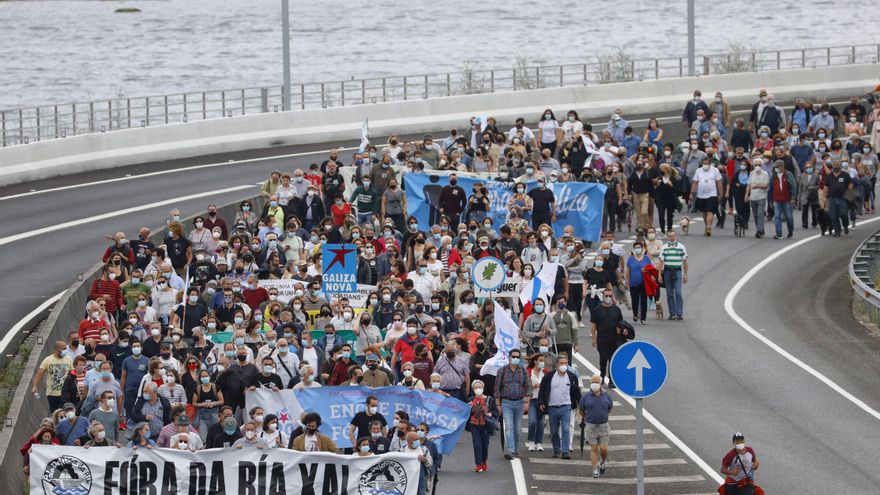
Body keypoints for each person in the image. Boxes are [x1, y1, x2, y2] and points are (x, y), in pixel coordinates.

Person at [537, 355, 581, 459]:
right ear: (556, 365)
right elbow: (542, 390)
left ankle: (565, 451)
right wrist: (541, 402)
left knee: (566, 429)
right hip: (552, 408)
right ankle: (556, 449)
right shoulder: (548, 377)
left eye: (565, 363)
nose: (563, 365)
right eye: (561, 363)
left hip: (566, 407)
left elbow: (576, 392)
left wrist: (582, 405)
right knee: (554, 431)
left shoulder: (572, 377)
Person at [494, 348, 530, 460]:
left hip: (519, 402)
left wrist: (526, 402)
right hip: (506, 402)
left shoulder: (523, 371)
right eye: (513, 357)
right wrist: (498, 405)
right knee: (509, 427)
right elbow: (497, 388)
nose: (515, 359)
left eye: (517, 357)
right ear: (509, 357)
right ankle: (510, 450)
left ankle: (515, 449)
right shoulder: (502, 371)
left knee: (517, 428)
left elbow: (528, 387)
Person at [578, 375, 613, 478]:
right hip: (591, 426)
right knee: (594, 448)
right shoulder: (586, 397)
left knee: (604, 448)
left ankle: (603, 461)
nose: (595, 383)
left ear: (600, 383)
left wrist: (603, 416)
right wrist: (588, 418)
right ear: (590, 383)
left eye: (597, 382)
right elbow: (581, 410)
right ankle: (594, 470)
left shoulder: (606, 396)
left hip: (603, 426)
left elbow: (610, 409)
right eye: (593, 381)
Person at [590, 288, 623, 387]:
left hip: (614, 339)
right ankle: (602, 376)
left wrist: (620, 330)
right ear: (603, 296)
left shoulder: (616, 309)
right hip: (602, 338)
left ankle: (612, 380)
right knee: (603, 359)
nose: (608, 298)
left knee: (612, 359)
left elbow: (621, 323)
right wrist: (593, 338)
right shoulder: (597, 309)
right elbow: (593, 325)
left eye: (610, 296)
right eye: (606, 296)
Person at [32, 341, 74, 412]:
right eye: (63, 349)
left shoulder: (68, 359)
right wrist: (35, 385)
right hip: (52, 393)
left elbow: (72, 373)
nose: (65, 351)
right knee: (55, 412)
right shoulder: (48, 360)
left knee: (64, 411)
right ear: (57, 349)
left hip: (65, 392)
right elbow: (40, 373)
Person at [467, 379, 498, 472]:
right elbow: (465, 413)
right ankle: (478, 464)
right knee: (477, 445)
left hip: (485, 425)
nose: (478, 389)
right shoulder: (471, 399)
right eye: (476, 387)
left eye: (480, 387)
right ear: (473, 389)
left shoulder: (489, 399)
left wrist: (491, 414)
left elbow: (495, 411)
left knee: (485, 445)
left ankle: (484, 461)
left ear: (483, 388)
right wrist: (469, 407)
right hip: (474, 425)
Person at [657, 230, 688, 320]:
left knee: (678, 292)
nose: (672, 238)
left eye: (673, 236)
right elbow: (661, 261)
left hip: (677, 271)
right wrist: (659, 275)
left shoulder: (681, 247)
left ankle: (679, 313)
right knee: (669, 293)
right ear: (667, 237)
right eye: (670, 236)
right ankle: (672, 313)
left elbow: (685, 261)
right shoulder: (664, 247)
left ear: (675, 236)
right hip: (667, 271)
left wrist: (685, 275)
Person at [691, 159, 723, 236]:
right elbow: (695, 183)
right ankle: (706, 225)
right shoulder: (698, 171)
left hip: (712, 194)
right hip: (701, 195)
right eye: (703, 163)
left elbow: (718, 183)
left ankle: (709, 227)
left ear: (710, 164)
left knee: (710, 211)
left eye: (707, 163)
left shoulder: (715, 170)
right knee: (704, 212)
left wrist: (721, 193)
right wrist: (692, 193)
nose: (705, 165)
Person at [822, 161, 854, 237]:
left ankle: (845, 225)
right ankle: (837, 230)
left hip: (843, 198)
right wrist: (824, 197)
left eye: (837, 166)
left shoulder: (845, 175)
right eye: (834, 167)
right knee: (834, 216)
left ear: (840, 167)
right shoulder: (829, 176)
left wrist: (849, 191)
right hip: (832, 198)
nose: (835, 168)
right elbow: (826, 187)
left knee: (844, 214)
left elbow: (850, 183)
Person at [624, 241, 652, 325]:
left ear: (643, 248)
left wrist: (646, 270)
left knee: (644, 300)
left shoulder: (646, 258)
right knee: (634, 300)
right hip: (633, 282)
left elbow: (651, 270)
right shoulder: (631, 259)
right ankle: (635, 314)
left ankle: (643, 318)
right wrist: (626, 282)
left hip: (644, 282)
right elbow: (628, 272)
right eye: (636, 248)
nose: (637, 249)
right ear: (633, 249)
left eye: (639, 247)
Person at [770, 160, 797, 239]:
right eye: (775, 167)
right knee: (777, 216)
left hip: (787, 200)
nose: (776, 168)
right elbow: (770, 188)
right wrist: (770, 199)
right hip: (776, 199)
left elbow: (793, 186)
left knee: (789, 217)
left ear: (782, 166)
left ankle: (790, 231)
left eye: (777, 166)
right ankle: (779, 234)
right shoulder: (774, 176)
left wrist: (793, 197)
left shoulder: (788, 174)